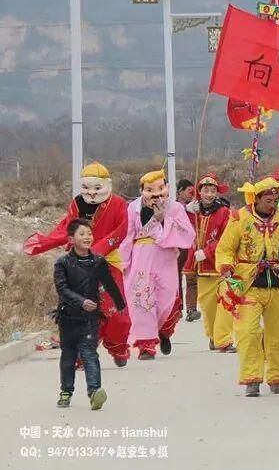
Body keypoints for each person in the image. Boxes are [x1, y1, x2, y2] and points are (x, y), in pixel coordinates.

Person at [24, 162, 131, 366]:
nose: (91, 193)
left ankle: (118, 347)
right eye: (87, 188)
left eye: (97, 188)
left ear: (107, 185)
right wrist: (45, 243)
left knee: (116, 312)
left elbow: (121, 231)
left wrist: (96, 251)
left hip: (107, 263)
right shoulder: (76, 204)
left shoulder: (118, 204)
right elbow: (68, 229)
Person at [216, 175, 279, 396]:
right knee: (247, 332)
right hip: (248, 284)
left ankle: (278, 377)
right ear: (256, 199)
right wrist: (226, 268)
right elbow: (226, 249)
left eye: (276, 199)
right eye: (269, 200)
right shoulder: (239, 218)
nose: (273, 204)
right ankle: (252, 377)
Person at [119, 170, 195, 360]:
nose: (156, 194)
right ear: (142, 190)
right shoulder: (133, 208)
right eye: (150, 189)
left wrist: (164, 220)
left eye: (160, 188)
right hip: (141, 256)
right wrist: (123, 262)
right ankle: (146, 345)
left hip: (165, 256)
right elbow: (127, 235)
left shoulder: (175, 207)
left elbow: (187, 233)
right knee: (141, 298)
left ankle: (162, 331)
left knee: (166, 298)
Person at [54, 219, 127, 410]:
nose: (87, 237)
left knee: (89, 353)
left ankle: (94, 392)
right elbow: (62, 288)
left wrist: (121, 305)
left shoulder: (98, 261)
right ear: (71, 239)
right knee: (69, 356)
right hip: (68, 317)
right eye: (82, 234)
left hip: (90, 318)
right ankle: (66, 391)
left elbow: (110, 283)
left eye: (89, 233)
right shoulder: (62, 263)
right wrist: (81, 301)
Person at [183, 173, 234, 352]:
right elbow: (184, 231)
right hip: (201, 268)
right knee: (209, 306)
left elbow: (226, 238)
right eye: (206, 190)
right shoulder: (193, 211)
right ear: (199, 192)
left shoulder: (223, 212)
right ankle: (213, 336)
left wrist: (207, 252)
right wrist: (187, 213)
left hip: (220, 265)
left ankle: (224, 340)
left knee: (227, 301)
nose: (210, 194)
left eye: (213, 190)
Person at [176, 178, 200, 322]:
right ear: (180, 192)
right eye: (190, 192)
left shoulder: (195, 206)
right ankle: (176, 308)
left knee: (192, 279)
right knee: (175, 278)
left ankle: (191, 309)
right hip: (177, 247)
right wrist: (185, 209)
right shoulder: (173, 205)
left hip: (192, 246)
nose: (192, 195)